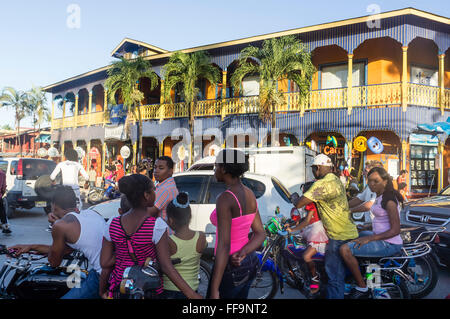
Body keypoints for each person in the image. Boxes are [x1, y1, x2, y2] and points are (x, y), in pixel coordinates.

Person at [99, 174, 201, 299]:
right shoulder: (156, 226)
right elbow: (166, 266)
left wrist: (102, 291)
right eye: (153, 190)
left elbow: (104, 263)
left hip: (120, 289)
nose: (155, 193)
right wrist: (191, 294)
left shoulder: (112, 224)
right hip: (147, 291)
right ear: (146, 196)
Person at [9, 185, 106, 299]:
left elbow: (54, 262)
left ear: (54, 206)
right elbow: (66, 250)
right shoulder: (91, 214)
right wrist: (31, 247)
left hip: (102, 275)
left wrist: (54, 226)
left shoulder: (61, 226)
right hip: (109, 268)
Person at [291, 153, 358, 299]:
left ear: (319, 168)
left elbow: (300, 203)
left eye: (314, 169)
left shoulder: (321, 184)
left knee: (333, 276)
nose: (313, 172)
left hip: (338, 236)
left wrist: (294, 198)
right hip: (350, 230)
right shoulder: (335, 179)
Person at [207, 149, 265, 299]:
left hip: (229, 266)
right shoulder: (249, 193)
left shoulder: (225, 198)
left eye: (216, 165)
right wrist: (244, 252)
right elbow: (260, 233)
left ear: (224, 169)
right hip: (248, 262)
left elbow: (224, 245)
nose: (214, 170)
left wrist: (214, 290)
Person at [339, 167, 403, 299]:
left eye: (376, 181)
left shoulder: (389, 200)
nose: (371, 184)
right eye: (370, 181)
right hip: (380, 239)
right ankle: (368, 279)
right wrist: (365, 227)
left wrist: (370, 238)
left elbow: (396, 229)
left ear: (385, 181)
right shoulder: (380, 196)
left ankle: (362, 287)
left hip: (389, 243)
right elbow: (381, 220)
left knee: (345, 250)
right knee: (352, 237)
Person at [161, 192, 207, 299]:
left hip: (170, 290)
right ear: (190, 216)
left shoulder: (169, 241)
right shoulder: (201, 237)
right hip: (192, 289)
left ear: (171, 220)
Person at [286, 196, 328, 294]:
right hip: (311, 230)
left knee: (306, 256)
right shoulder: (307, 205)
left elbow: (307, 220)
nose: (302, 197)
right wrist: (291, 224)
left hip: (316, 232)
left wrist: (293, 229)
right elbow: (303, 219)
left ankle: (315, 278)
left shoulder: (312, 204)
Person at [348, 161, 384, 225]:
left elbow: (370, 205)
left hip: (381, 226)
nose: (363, 173)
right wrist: (344, 206)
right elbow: (359, 199)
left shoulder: (380, 185)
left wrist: (351, 210)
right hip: (370, 223)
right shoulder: (369, 186)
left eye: (366, 171)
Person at [148, 156, 179, 224]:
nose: (156, 171)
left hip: (163, 231)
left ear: (170, 171)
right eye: (155, 167)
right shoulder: (166, 185)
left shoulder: (165, 189)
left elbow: (149, 212)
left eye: (161, 168)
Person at [0, 167, 11, 234]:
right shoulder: (2, 174)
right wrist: (2, 193)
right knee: (2, 214)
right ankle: (6, 228)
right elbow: (3, 187)